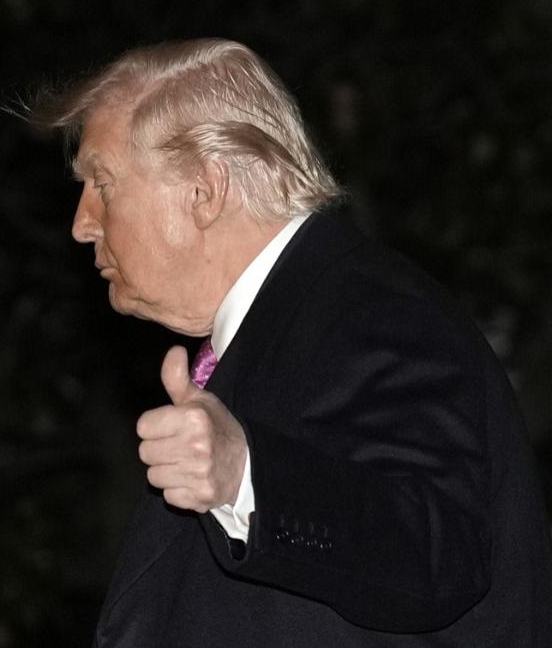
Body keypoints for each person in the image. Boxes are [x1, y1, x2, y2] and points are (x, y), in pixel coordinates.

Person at [32, 38, 552, 645]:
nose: (82, 223)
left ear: (204, 189)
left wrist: (244, 475)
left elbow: (438, 551)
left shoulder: (371, 309)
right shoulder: (273, 331)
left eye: (101, 182)